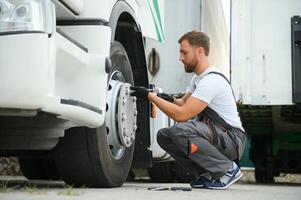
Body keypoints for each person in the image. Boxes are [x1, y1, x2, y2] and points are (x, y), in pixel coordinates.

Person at [130, 31, 246, 190]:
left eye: (184, 52)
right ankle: (208, 173)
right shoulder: (198, 79)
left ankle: (227, 169)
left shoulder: (211, 81)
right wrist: (166, 98)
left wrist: (150, 97)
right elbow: (182, 103)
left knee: (180, 131)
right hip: (218, 135)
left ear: (200, 51)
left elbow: (182, 115)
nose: (180, 58)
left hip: (232, 139)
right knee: (164, 136)